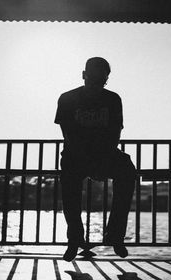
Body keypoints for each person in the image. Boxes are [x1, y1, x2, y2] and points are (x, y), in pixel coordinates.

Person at [54, 57, 137, 261]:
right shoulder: (66, 98)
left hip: (103, 153)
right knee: (70, 182)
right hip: (76, 154)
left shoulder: (113, 99)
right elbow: (69, 135)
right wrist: (92, 163)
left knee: (127, 170)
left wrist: (101, 160)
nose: (97, 83)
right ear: (84, 75)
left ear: (106, 79)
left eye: (102, 80)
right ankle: (75, 239)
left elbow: (115, 134)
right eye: (94, 78)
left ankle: (115, 235)